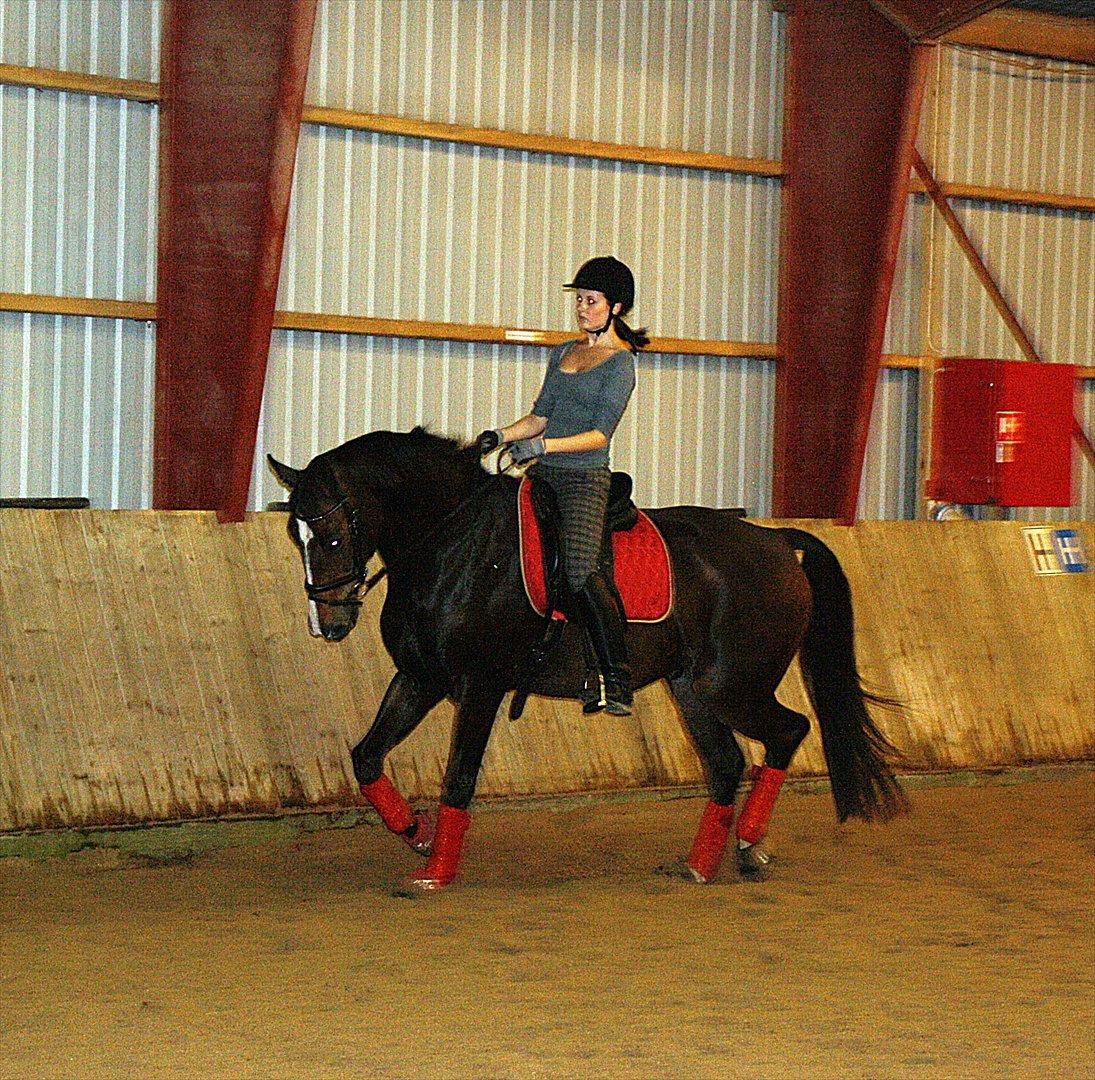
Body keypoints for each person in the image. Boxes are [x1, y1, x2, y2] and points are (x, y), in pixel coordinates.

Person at [477, 256, 648, 715]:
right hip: (544, 470)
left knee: (578, 570)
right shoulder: (563, 354)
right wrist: (501, 435)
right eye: (579, 300)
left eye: (590, 301)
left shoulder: (620, 365)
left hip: (584, 478)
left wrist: (544, 448)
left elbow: (599, 435)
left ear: (615, 308)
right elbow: (539, 418)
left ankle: (616, 677)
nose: (581, 308)